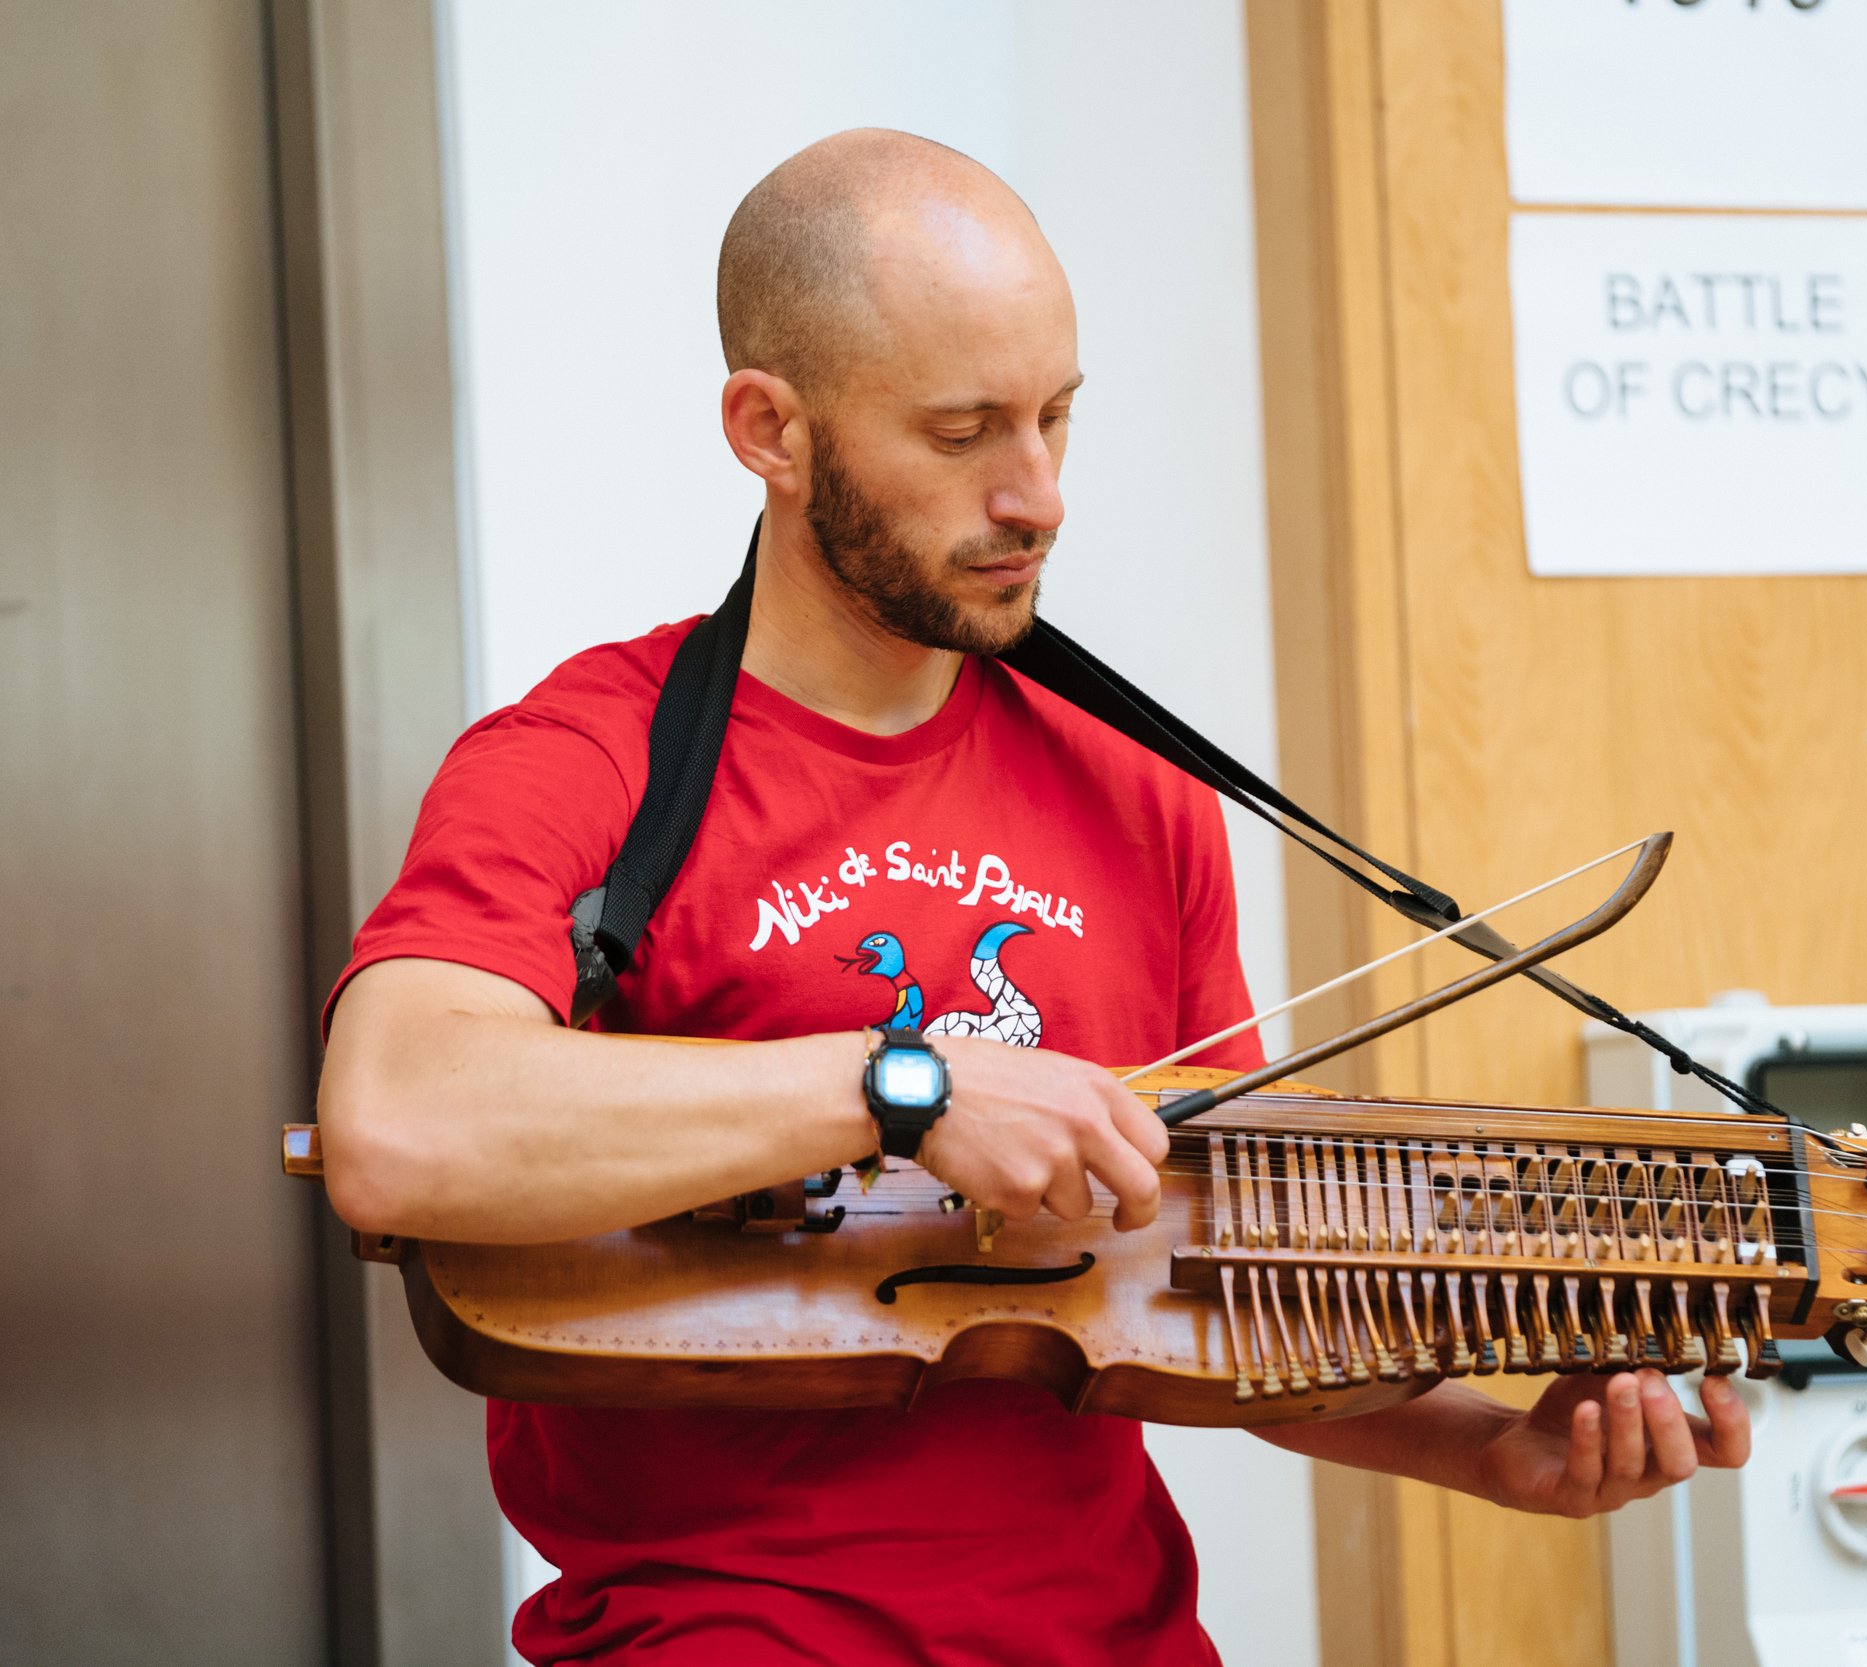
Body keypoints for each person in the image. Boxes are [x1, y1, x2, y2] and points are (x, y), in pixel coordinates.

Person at [318, 128, 1748, 1666]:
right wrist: (902, 1087)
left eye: (1060, 418)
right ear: (769, 429)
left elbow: (1217, 1285)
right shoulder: (584, 762)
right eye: (963, 433)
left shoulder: (1136, 791)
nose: (1040, 494)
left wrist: (1489, 1449)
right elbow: (397, 1129)